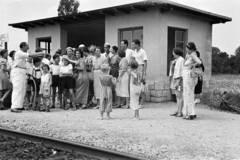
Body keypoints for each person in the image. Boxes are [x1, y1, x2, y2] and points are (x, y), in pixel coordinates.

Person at [11, 42, 46, 113]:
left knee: (22, 89)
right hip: (17, 70)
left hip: (22, 70)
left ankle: (19, 106)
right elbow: (30, 55)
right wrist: (40, 53)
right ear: (23, 46)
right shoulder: (19, 53)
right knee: (17, 88)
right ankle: (14, 106)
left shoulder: (22, 54)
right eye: (27, 46)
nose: (28, 48)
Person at [182, 42, 202, 120]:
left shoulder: (193, 54)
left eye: (187, 48)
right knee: (189, 95)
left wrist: (193, 65)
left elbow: (199, 62)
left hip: (189, 77)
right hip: (188, 77)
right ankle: (191, 113)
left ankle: (189, 114)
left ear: (190, 48)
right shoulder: (190, 54)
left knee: (188, 95)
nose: (186, 49)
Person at [132, 39, 148, 108]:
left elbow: (145, 62)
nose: (132, 46)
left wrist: (144, 72)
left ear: (137, 44)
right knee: (136, 85)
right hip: (136, 69)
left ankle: (141, 103)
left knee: (141, 86)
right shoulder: (134, 51)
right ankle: (137, 102)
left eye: (133, 44)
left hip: (141, 68)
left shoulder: (143, 52)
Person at [169, 48, 184, 117]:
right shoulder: (178, 60)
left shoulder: (181, 60)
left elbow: (181, 71)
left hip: (179, 80)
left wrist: (178, 81)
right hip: (176, 79)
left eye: (173, 52)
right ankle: (177, 110)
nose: (173, 54)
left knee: (179, 96)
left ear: (176, 53)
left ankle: (180, 112)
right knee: (177, 96)